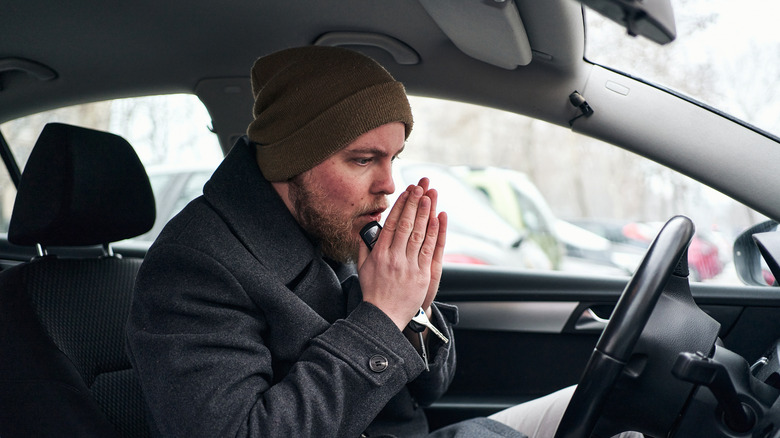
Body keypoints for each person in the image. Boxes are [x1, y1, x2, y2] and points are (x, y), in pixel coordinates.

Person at [126, 46, 640, 438]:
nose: (389, 184)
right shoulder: (196, 266)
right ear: (290, 160)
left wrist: (415, 310)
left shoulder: (333, 226)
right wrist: (382, 317)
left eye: (393, 157)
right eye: (363, 159)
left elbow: (427, 389)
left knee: (621, 408)